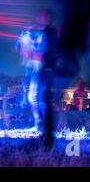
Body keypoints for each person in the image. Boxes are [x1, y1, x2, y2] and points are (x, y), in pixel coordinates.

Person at [16, 10, 58, 146]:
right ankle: (38, 122)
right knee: (32, 96)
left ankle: (45, 125)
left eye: (46, 16)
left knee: (43, 97)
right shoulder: (31, 32)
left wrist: (41, 55)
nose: (43, 18)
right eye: (41, 16)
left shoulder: (51, 32)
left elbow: (53, 50)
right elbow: (21, 49)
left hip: (47, 69)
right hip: (33, 68)